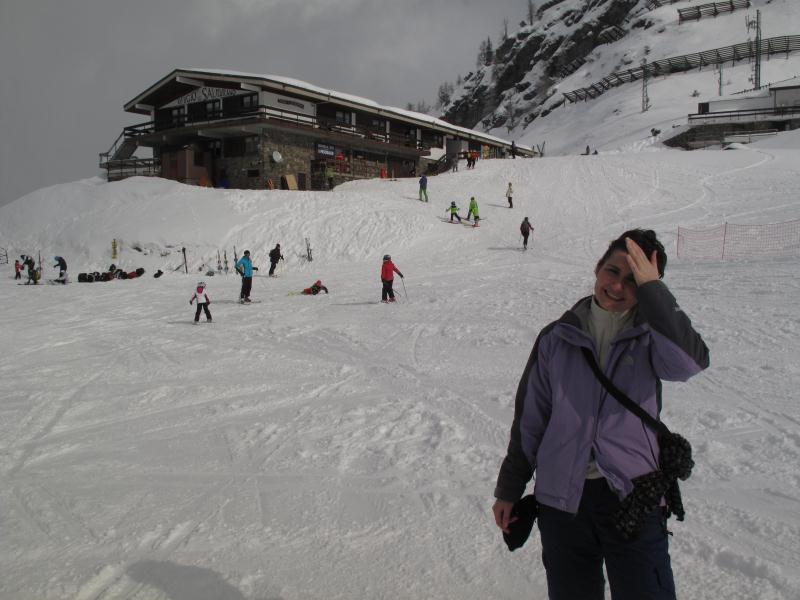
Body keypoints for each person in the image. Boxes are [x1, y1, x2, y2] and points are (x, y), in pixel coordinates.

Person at [492, 229, 709, 600]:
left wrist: (654, 290)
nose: (618, 286)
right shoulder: (556, 337)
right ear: (597, 268)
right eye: (612, 271)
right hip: (562, 503)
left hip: (633, 499)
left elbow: (690, 363)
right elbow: (531, 421)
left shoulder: (652, 338)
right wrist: (510, 489)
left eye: (633, 281)